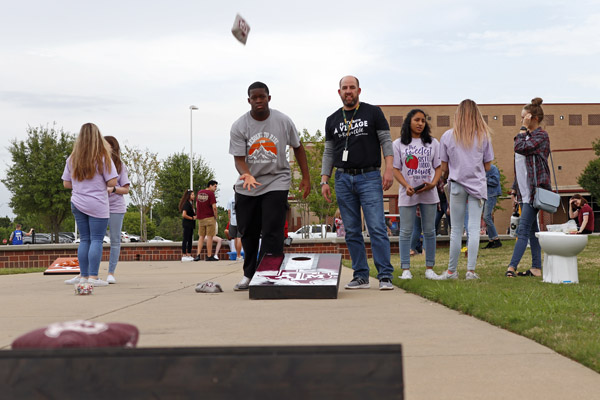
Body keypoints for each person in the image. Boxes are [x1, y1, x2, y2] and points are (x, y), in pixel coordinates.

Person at [229, 81, 310, 291]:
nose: (258, 101)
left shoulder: (283, 121)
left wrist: (306, 178)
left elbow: (298, 148)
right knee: (248, 231)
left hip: (277, 180)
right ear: (249, 101)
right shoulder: (240, 125)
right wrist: (245, 174)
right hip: (248, 183)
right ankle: (249, 274)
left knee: (273, 229)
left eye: (262, 97)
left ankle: (268, 274)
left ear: (269, 98)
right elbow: (238, 158)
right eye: (254, 98)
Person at [320, 75, 395, 290]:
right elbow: (328, 152)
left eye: (352, 87)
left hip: (369, 176)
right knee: (351, 230)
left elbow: (386, 141)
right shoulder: (332, 119)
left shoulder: (373, 112)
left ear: (359, 90)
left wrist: (388, 169)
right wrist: (324, 179)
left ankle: (385, 276)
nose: (348, 91)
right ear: (339, 92)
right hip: (343, 178)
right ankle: (361, 275)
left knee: (376, 227)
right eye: (344, 88)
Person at [439, 99, 494, 280]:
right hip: (477, 185)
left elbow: (444, 166)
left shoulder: (447, 136)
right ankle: (470, 271)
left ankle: (451, 271)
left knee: (455, 230)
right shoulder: (484, 135)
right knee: (473, 229)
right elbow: (488, 166)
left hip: (456, 185)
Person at [62, 123, 118, 287]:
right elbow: (112, 181)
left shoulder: (72, 158)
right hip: (97, 204)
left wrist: (81, 186)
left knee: (84, 239)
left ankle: (83, 275)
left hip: (77, 202)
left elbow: (66, 183)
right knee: (96, 240)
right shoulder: (102, 157)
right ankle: (94, 277)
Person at [393, 109, 442, 280]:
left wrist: (433, 184)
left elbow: (438, 167)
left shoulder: (433, 143)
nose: (420, 123)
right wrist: (406, 185)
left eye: (423, 120)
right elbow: (395, 169)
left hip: (428, 192)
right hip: (408, 193)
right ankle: (406, 269)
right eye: (417, 120)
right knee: (405, 231)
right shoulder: (398, 144)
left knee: (429, 231)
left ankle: (430, 268)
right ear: (409, 122)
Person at [505, 98, 550, 278]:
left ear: (534, 118)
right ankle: (536, 267)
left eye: (524, 117)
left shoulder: (541, 136)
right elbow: (521, 167)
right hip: (524, 192)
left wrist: (523, 130)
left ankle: (511, 267)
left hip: (534, 192)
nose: (522, 121)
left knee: (523, 229)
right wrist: (515, 188)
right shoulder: (527, 137)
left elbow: (520, 147)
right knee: (532, 230)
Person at [103, 136, 130, 283]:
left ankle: (111, 273)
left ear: (112, 147)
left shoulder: (120, 166)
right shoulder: (97, 164)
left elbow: (126, 190)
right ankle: (87, 273)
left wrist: (112, 189)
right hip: (98, 207)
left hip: (115, 207)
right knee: (92, 240)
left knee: (114, 240)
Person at [194, 180, 218, 262]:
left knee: (201, 236)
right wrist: (216, 216)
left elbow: (197, 205)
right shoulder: (211, 194)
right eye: (215, 186)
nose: (215, 188)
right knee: (210, 237)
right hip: (209, 217)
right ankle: (209, 255)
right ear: (210, 185)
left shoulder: (199, 192)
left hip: (201, 218)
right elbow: (214, 207)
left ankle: (198, 255)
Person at [481, 164, 502, 249]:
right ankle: (491, 241)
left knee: (486, 217)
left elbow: (496, 181)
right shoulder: (481, 168)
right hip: (485, 195)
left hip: (492, 194)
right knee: (486, 217)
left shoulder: (492, 168)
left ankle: (496, 239)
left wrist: (484, 179)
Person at [179, 189, 196, 262]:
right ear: (188, 196)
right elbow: (184, 215)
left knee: (190, 240)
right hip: (187, 224)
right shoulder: (186, 204)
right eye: (192, 195)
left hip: (191, 224)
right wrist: (192, 218)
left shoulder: (191, 204)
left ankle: (189, 254)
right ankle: (184, 254)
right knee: (185, 239)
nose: (194, 196)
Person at [226, 193, 243, 259]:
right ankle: (239, 255)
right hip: (240, 221)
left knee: (235, 238)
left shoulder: (230, 200)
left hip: (232, 221)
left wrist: (229, 220)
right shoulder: (241, 199)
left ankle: (237, 255)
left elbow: (229, 212)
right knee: (239, 238)